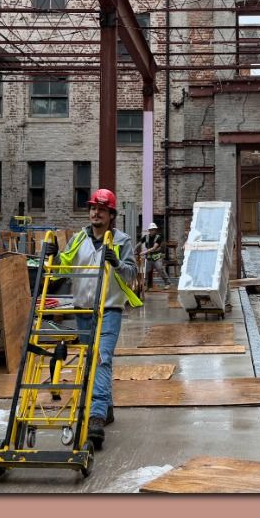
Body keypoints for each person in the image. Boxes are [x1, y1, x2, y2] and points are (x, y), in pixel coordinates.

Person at [53, 188, 143, 451]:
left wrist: (116, 262)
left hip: (109, 311)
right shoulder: (79, 239)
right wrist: (51, 255)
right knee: (89, 362)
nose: (95, 212)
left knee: (100, 360)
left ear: (111, 215)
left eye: (101, 209)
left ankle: (95, 418)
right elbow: (63, 268)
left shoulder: (122, 241)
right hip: (82, 312)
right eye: (93, 208)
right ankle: (107, 407)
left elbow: (130, 276)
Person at [140, 223, 165, 288]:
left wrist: (144, 252)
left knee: (160, 269)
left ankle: (167, 283)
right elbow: (139, 243)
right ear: (149, 230)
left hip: (157, 257)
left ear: (155, 230)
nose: (152, 231)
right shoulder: (146, 237)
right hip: (149, 257)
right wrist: (133, 250)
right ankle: (146, 286)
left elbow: (154, 248)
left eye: (153, 230)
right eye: (151, 230)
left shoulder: (158, 237)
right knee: (146, 272)